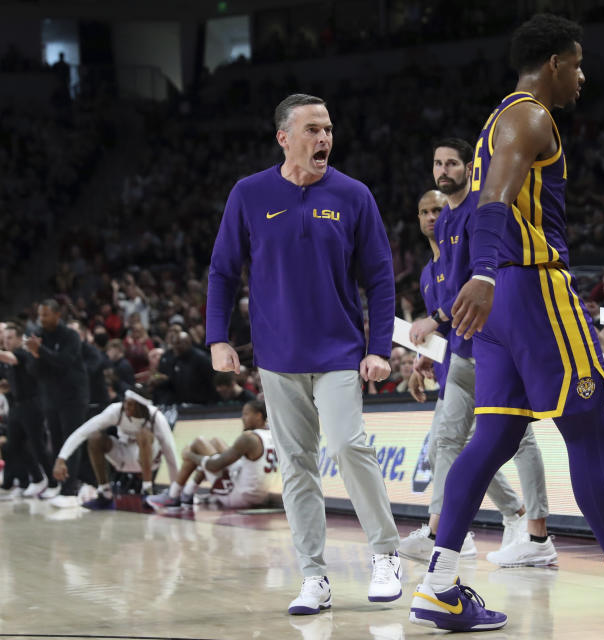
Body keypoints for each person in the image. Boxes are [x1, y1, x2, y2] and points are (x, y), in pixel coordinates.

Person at [408, 15, 604, 631]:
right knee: (587, 429)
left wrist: (482, 275)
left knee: (493, 438)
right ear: (554, 63)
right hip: (528, 287)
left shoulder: (495, 120)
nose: (582, 75)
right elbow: (495, 197)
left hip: (499, 304)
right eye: (576, 64)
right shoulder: (530, 115)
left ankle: (438, 584)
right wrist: (490, 273)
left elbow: (476, 206)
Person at [206, 93, 403, 614]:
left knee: (346, 445)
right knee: (295, 466)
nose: (324, 139)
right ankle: (313, 575)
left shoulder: (354, 194)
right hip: (277, 356)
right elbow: (223, 270)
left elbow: (381, 279)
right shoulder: (249, 194)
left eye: (329, 129)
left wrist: (378, 348)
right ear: (284, 138)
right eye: (313, 129)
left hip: (339, 351)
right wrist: (217, 338)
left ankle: (385, 554)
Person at [406, 139, 553, 569]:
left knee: (517, 438)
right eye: (437, 162)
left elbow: (475, 281)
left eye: (451, 162)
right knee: (446, 443)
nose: (443, 169)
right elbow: (455, 292)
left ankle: (534, 528)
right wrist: (429, 351)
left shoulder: (477, 209)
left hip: (496, 343)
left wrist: (435, 318)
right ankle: (446, 530)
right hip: (460, 352)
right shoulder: (449, 221)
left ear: (469, 168)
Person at [52, 387, 178, 509]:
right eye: (125, 402)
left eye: (131, 404)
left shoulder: (156, 417)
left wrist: (175, 490)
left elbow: (170, 452)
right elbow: (82, 431)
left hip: (149, 460)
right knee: (95, 438)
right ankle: (105, 493)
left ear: (141, 406)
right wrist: (61, 459)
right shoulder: (115, 411)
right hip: (122, 457)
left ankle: (147, 490)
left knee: (143, 434)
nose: (126, 407)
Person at [147, 399, 277, 511]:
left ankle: (173, 495)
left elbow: (214, 465)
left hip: (240, 498)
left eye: (246, 414)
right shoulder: (272, 434)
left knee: (199, 444)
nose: (242, 418)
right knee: (215, 441)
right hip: (261, 496)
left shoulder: (249, 438)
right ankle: (187, 494)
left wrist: (189, 455)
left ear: (259, 416)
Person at [24, 299, 89, 499]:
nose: (41, 319)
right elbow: (33, 371)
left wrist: (40, 351)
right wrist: (35, 356)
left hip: (73, 397)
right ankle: (59, 485)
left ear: (57, 315)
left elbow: (64, 363)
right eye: (39, 315)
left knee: (72, 440)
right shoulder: (39, 336)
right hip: (51, 397)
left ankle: (70, 488)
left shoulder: (70, 336)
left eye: (45, 315)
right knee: (57, 441)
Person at [0, 322, 48, 499]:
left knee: (37, 445)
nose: (7, 341)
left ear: (20, 339)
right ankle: (35, 478)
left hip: (32, 404)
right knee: (13, 445)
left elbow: (11, 358)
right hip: (17, 406)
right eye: (5, 339)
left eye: (10, 338)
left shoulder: (21, 352)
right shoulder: (9, 358)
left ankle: (50, 480)